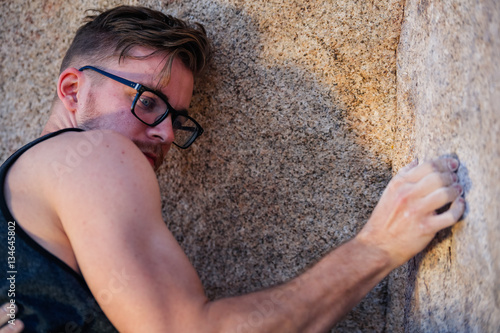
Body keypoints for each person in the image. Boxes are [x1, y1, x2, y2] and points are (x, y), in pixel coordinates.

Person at [0, 5, 465, 332]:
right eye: (146, 101)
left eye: (177, 119)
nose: (165, 134)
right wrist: (378, 246)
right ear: (72, 91)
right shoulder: (97, 153)